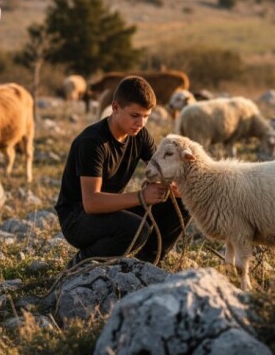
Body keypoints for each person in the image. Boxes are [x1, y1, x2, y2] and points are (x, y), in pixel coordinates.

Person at [55, 76, 190, 267]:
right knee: (136, 228)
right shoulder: (92, 143)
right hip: (77, 218)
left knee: (182, 201)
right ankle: (83, 261)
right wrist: (142, 196)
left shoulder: (139, 134)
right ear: (115, 108)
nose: (141, 123)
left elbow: (161, 168)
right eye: (135, 115)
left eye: (146, 116)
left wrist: (175, 186)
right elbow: (91, 203)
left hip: (110, 208)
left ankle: (146, 264)